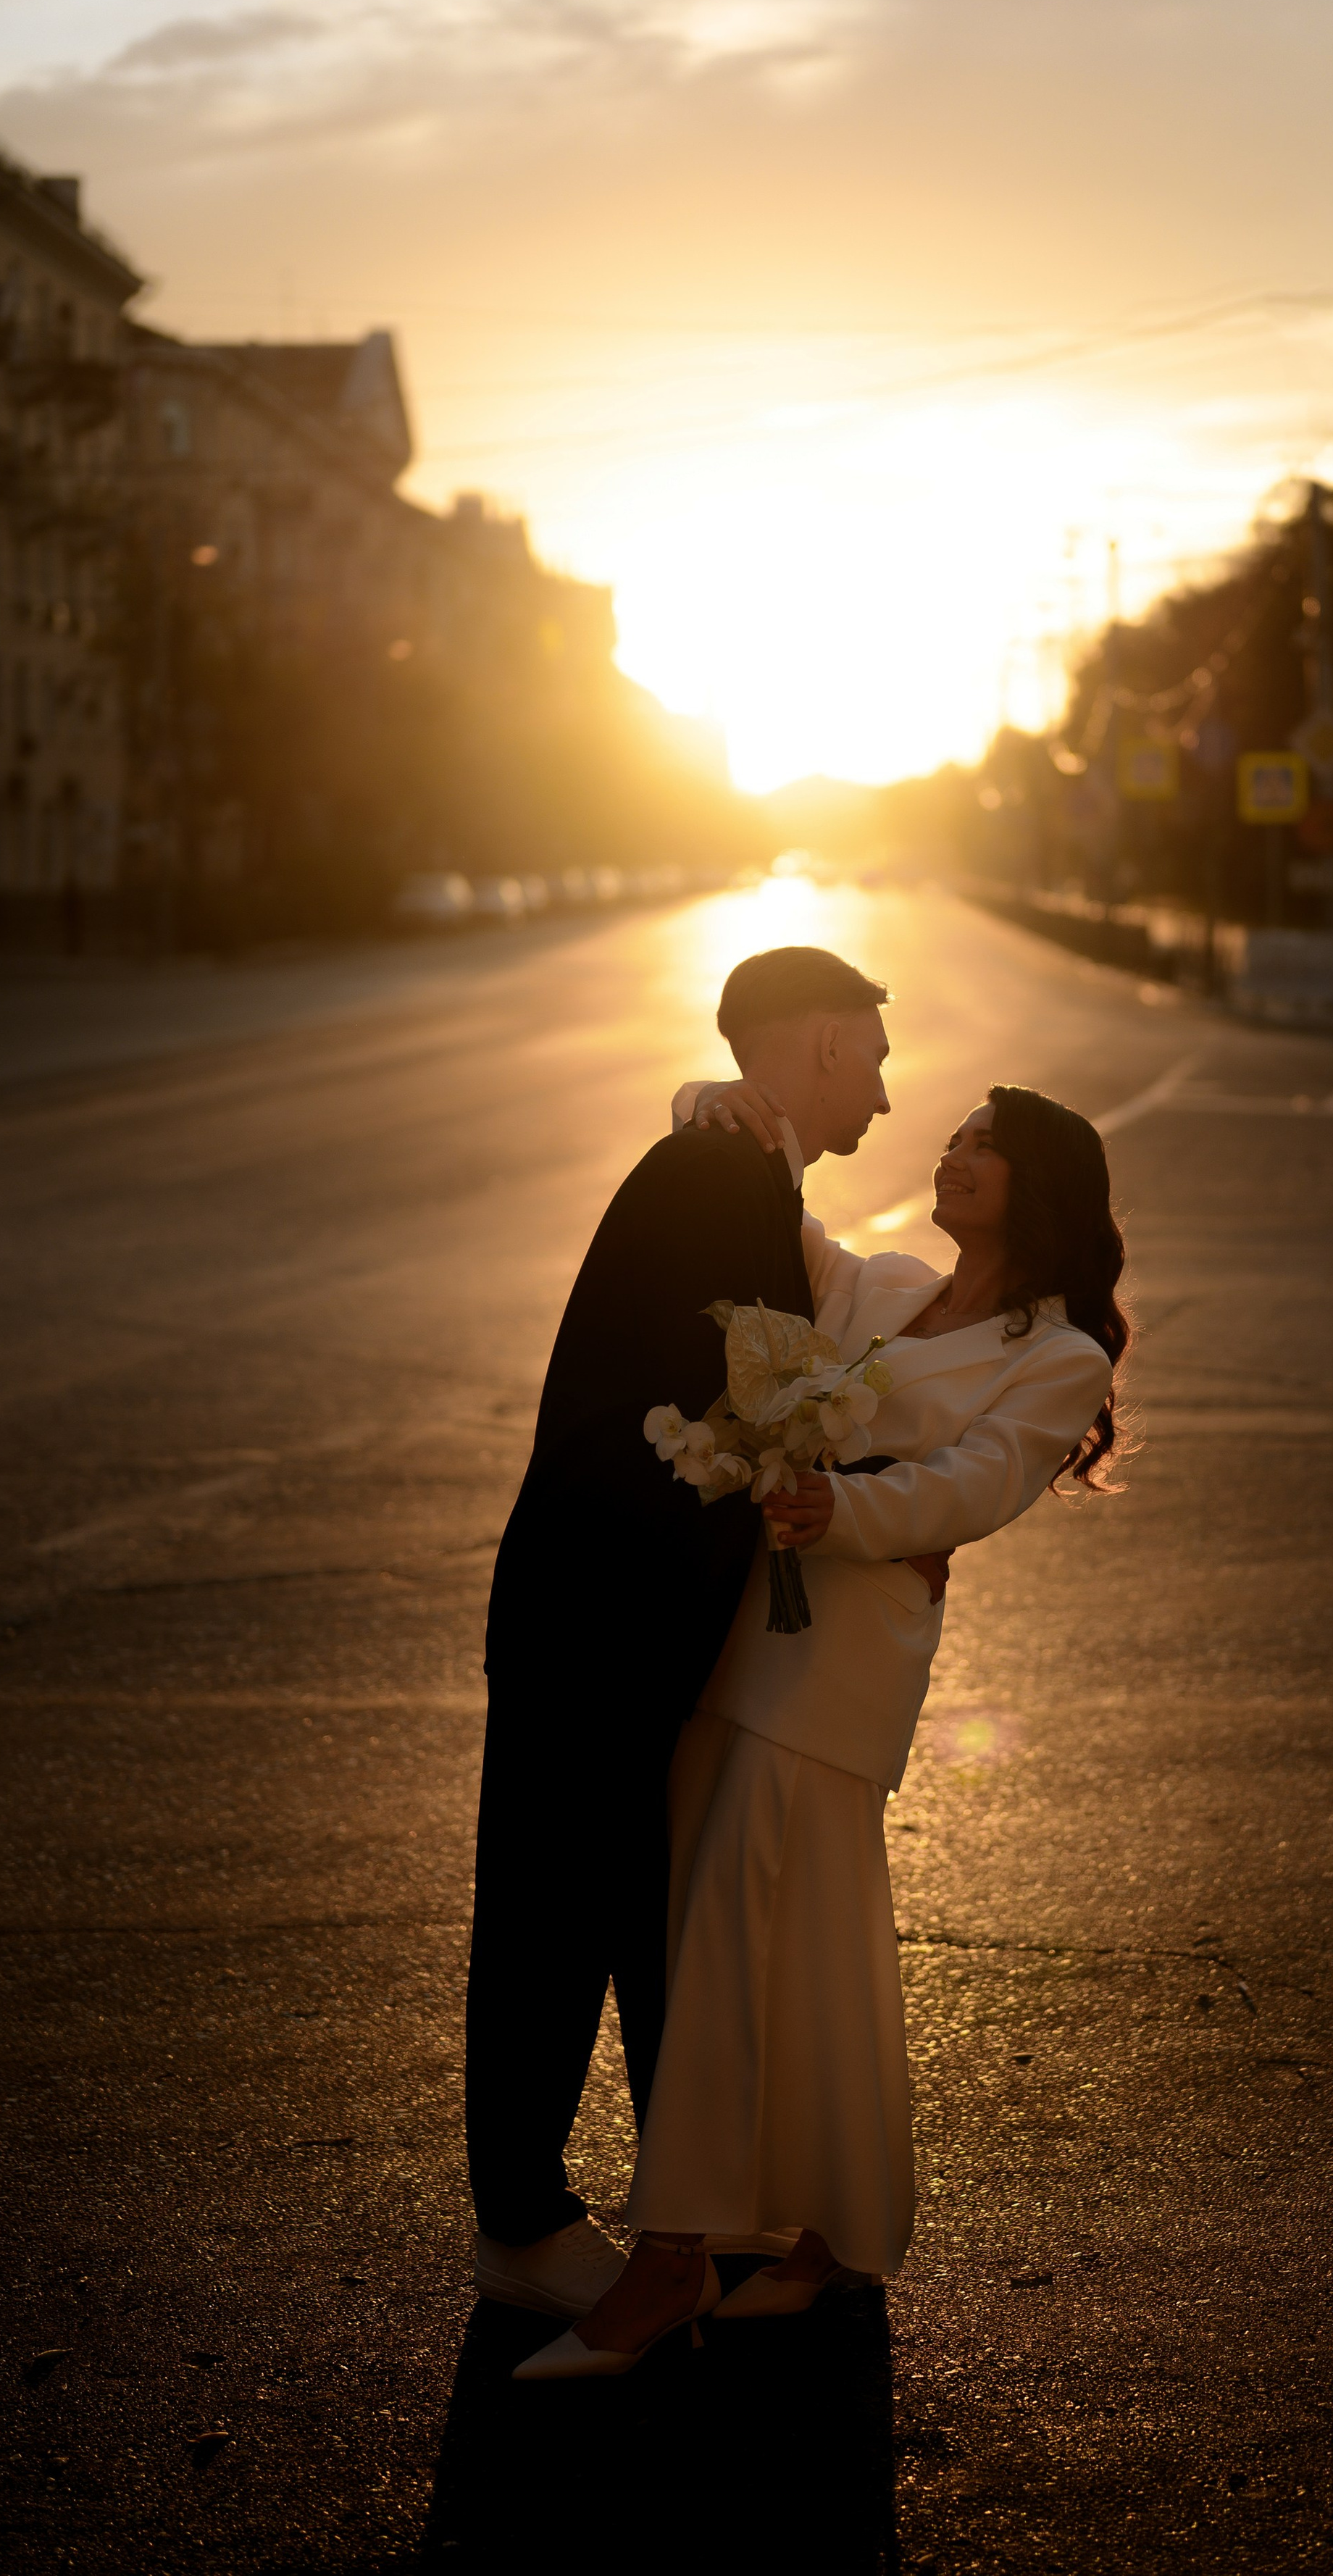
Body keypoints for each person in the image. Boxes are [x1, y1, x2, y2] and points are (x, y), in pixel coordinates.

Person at [517, 1078, 1129, 2375]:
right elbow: (788, 1240)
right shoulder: (889, 1286)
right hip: (748, 1626)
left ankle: (674, 2257)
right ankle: (829, 2227)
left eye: (982, 1145)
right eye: (956, 1138)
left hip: (841, 1661)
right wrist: (733, 1112)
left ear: (1041, 1184)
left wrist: (837, 1517)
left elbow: (976, 1484)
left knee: (737, 1923)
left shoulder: (1060, 1355)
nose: (952, 1153)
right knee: (781, 1938)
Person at [467, 947, 893, 2320]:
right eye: (874, 1058)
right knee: (551, 1912)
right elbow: (738, 1401)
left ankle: (693, 2210)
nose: (884, 1096)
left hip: (638, 1619)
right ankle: (524, 2226)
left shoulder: (741, 1171)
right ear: (823, 1044)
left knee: (645, 1917)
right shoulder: (713, 1176)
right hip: (598, 1611)